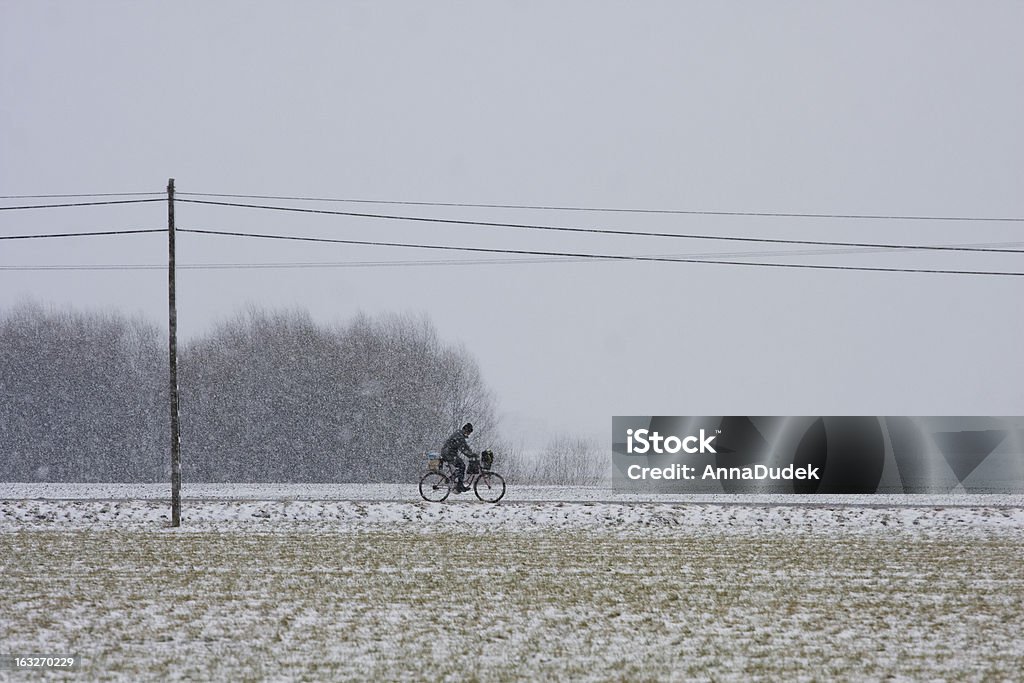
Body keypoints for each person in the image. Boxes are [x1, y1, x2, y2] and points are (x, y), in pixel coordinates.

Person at [440, 422, 477, 493]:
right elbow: (462, 449)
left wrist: (472, 453)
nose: (469, 434)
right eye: (469, 432)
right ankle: (459, 484)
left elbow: (465, 446)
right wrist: (471, 455)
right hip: (448, 454)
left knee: (460, 466)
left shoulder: (460, 435)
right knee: (462, 466)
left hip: (449, 453)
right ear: (466, 430)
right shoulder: (459, 436)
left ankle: (453, 478)